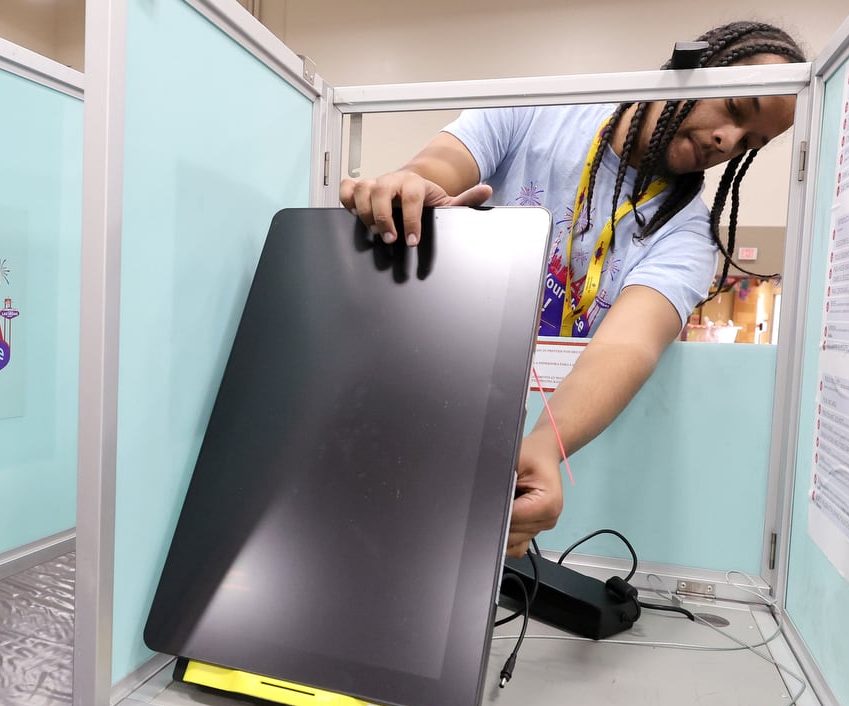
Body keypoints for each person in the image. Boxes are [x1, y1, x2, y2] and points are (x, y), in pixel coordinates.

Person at [341, 21, 805, 558]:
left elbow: (627, 345)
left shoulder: (688, 235)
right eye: (735, 108)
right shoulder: (535, 111)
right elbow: (440, 166)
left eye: (751, 142)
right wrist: (413, 183)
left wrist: (545, 444)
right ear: (691, 68)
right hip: (421, 403)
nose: (727, 141)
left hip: (542, 450)